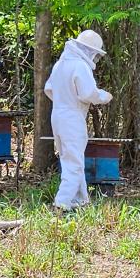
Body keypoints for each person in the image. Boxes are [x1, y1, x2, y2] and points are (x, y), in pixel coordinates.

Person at [44, 30, 112, 211]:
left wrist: (63, 101)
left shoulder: (60, 64)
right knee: (74, 163)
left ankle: (82, 201)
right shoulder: (80, 66)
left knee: (71, 159)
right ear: (88, 50)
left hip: (57, 115)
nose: (95, 58)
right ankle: (62, 203)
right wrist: (104, 96)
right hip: (72, 117)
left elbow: (48, 89)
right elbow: (88, 93)